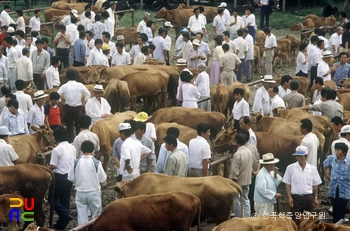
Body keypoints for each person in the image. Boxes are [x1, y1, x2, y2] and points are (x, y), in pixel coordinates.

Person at [68, 140, 106, 226]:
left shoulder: (76, 162)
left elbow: (70, 178)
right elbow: (103, 178)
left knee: (82, 217)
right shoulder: (97, 163)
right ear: (93, 150)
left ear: (81, 150)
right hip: (94, 192)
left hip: (80, 192)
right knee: (96, 217)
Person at [282, 145, 322, 225]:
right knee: (295, 220)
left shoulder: (312, 169)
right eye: (297, 156)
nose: (299, 158)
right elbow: (287, 184)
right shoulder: (290, 168)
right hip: (295, 198)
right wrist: (289, 197)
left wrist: (315, 198)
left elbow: (315, 185)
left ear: (306, 156)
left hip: (308, 197)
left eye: (301, 156)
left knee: (309, 220)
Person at [48, 127, 75, 230]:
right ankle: (61, 225)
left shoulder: (57, 149)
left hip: (60, 176)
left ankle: (66, 214)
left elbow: (53, 165)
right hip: (70, 176)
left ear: (56, 137)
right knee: (65, 199)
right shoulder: (72, 147)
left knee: (52, 198)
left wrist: (45, 169)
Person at [57, 70, 91, 142]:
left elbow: (57, 94)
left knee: (69, 126)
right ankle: (79, 139)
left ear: (67, 77)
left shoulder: (64, 86)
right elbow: (88, 94)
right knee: (79, 125)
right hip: (78, 107)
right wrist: (84, 102)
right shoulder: (80, 85)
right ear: (75, 76)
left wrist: (62, 102)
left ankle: (71, 140)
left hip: (68, 107)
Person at [324, 142, 350, 224]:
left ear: (344, 152)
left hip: (345, 189)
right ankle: (336, 223)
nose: (336, 152)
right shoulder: (331, 158)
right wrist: (327, 174)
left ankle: (337, 225)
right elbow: (325, 164)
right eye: (336, 149)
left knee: (341, 208)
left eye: (338, 150)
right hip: (333, 188)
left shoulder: (349, 162)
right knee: (335, 207)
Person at [230, 130, 253, 218]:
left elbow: (235, 172)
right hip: (247, 179)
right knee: (246, 199)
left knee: (237, 201)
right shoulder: (249, 151)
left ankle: (239, 218)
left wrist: (233, 182)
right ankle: (247, 217)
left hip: (238, 181)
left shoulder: (237, 154)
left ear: (236, 141)